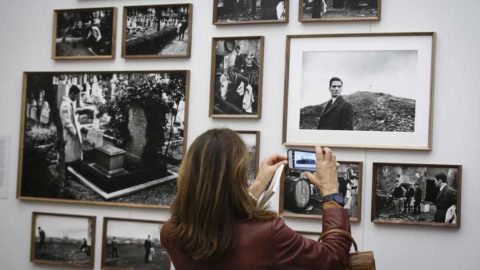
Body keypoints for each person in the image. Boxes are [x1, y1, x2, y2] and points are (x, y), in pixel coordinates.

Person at [161, 128, 351, 269]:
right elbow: (334, 259)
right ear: (237, 176)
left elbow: (220, 216)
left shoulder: (171, 233)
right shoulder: (269, 233)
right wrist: (331, 192)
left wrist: (259, 185)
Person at [60, 85, 83, 164]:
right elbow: (67, 121)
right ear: (72, 93)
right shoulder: (66, 104)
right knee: (69, 154)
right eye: (77, 96)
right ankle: (67, 169)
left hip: (71, 133)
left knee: (73, 153)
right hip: (68, 133)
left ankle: (71, 167)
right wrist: (74, 131)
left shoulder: (69, 103)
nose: (77, 98)